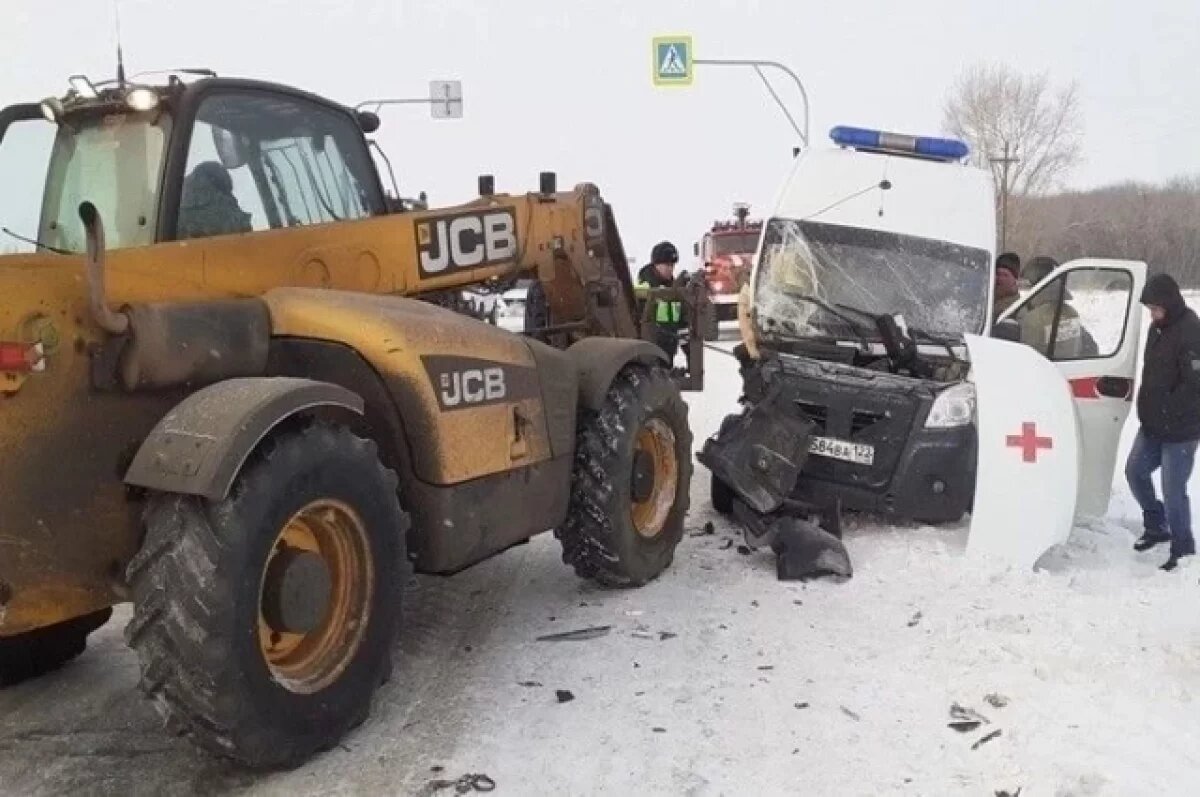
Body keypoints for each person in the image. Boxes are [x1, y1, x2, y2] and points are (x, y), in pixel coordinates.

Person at [1125, 273, 1200, 571]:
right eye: (1150, 309)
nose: (1152, 315)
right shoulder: (1158, 328)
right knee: (1135, 472)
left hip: (1181, 429)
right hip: (1153, 424)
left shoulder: (1192, 331)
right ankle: (1156, 525)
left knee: (1173, 489)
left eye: (1156, 309)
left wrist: (1169, 409)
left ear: (1169, 303)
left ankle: (1183, 548)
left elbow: (1195, 383)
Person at [636, 241, 686, 361]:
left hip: (668, 349)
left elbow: (678, 318)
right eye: (667, 265)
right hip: (650, 352)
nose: (670, 269)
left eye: (672, 265)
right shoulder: (644, 288)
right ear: (656, 265)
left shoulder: (673, 288)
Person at [993, 252, 1022, 318]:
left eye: (1005, 275)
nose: (1000, 279)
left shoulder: (1015, 307)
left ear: (1014, 279)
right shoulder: (990, 299)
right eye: (997, 274)